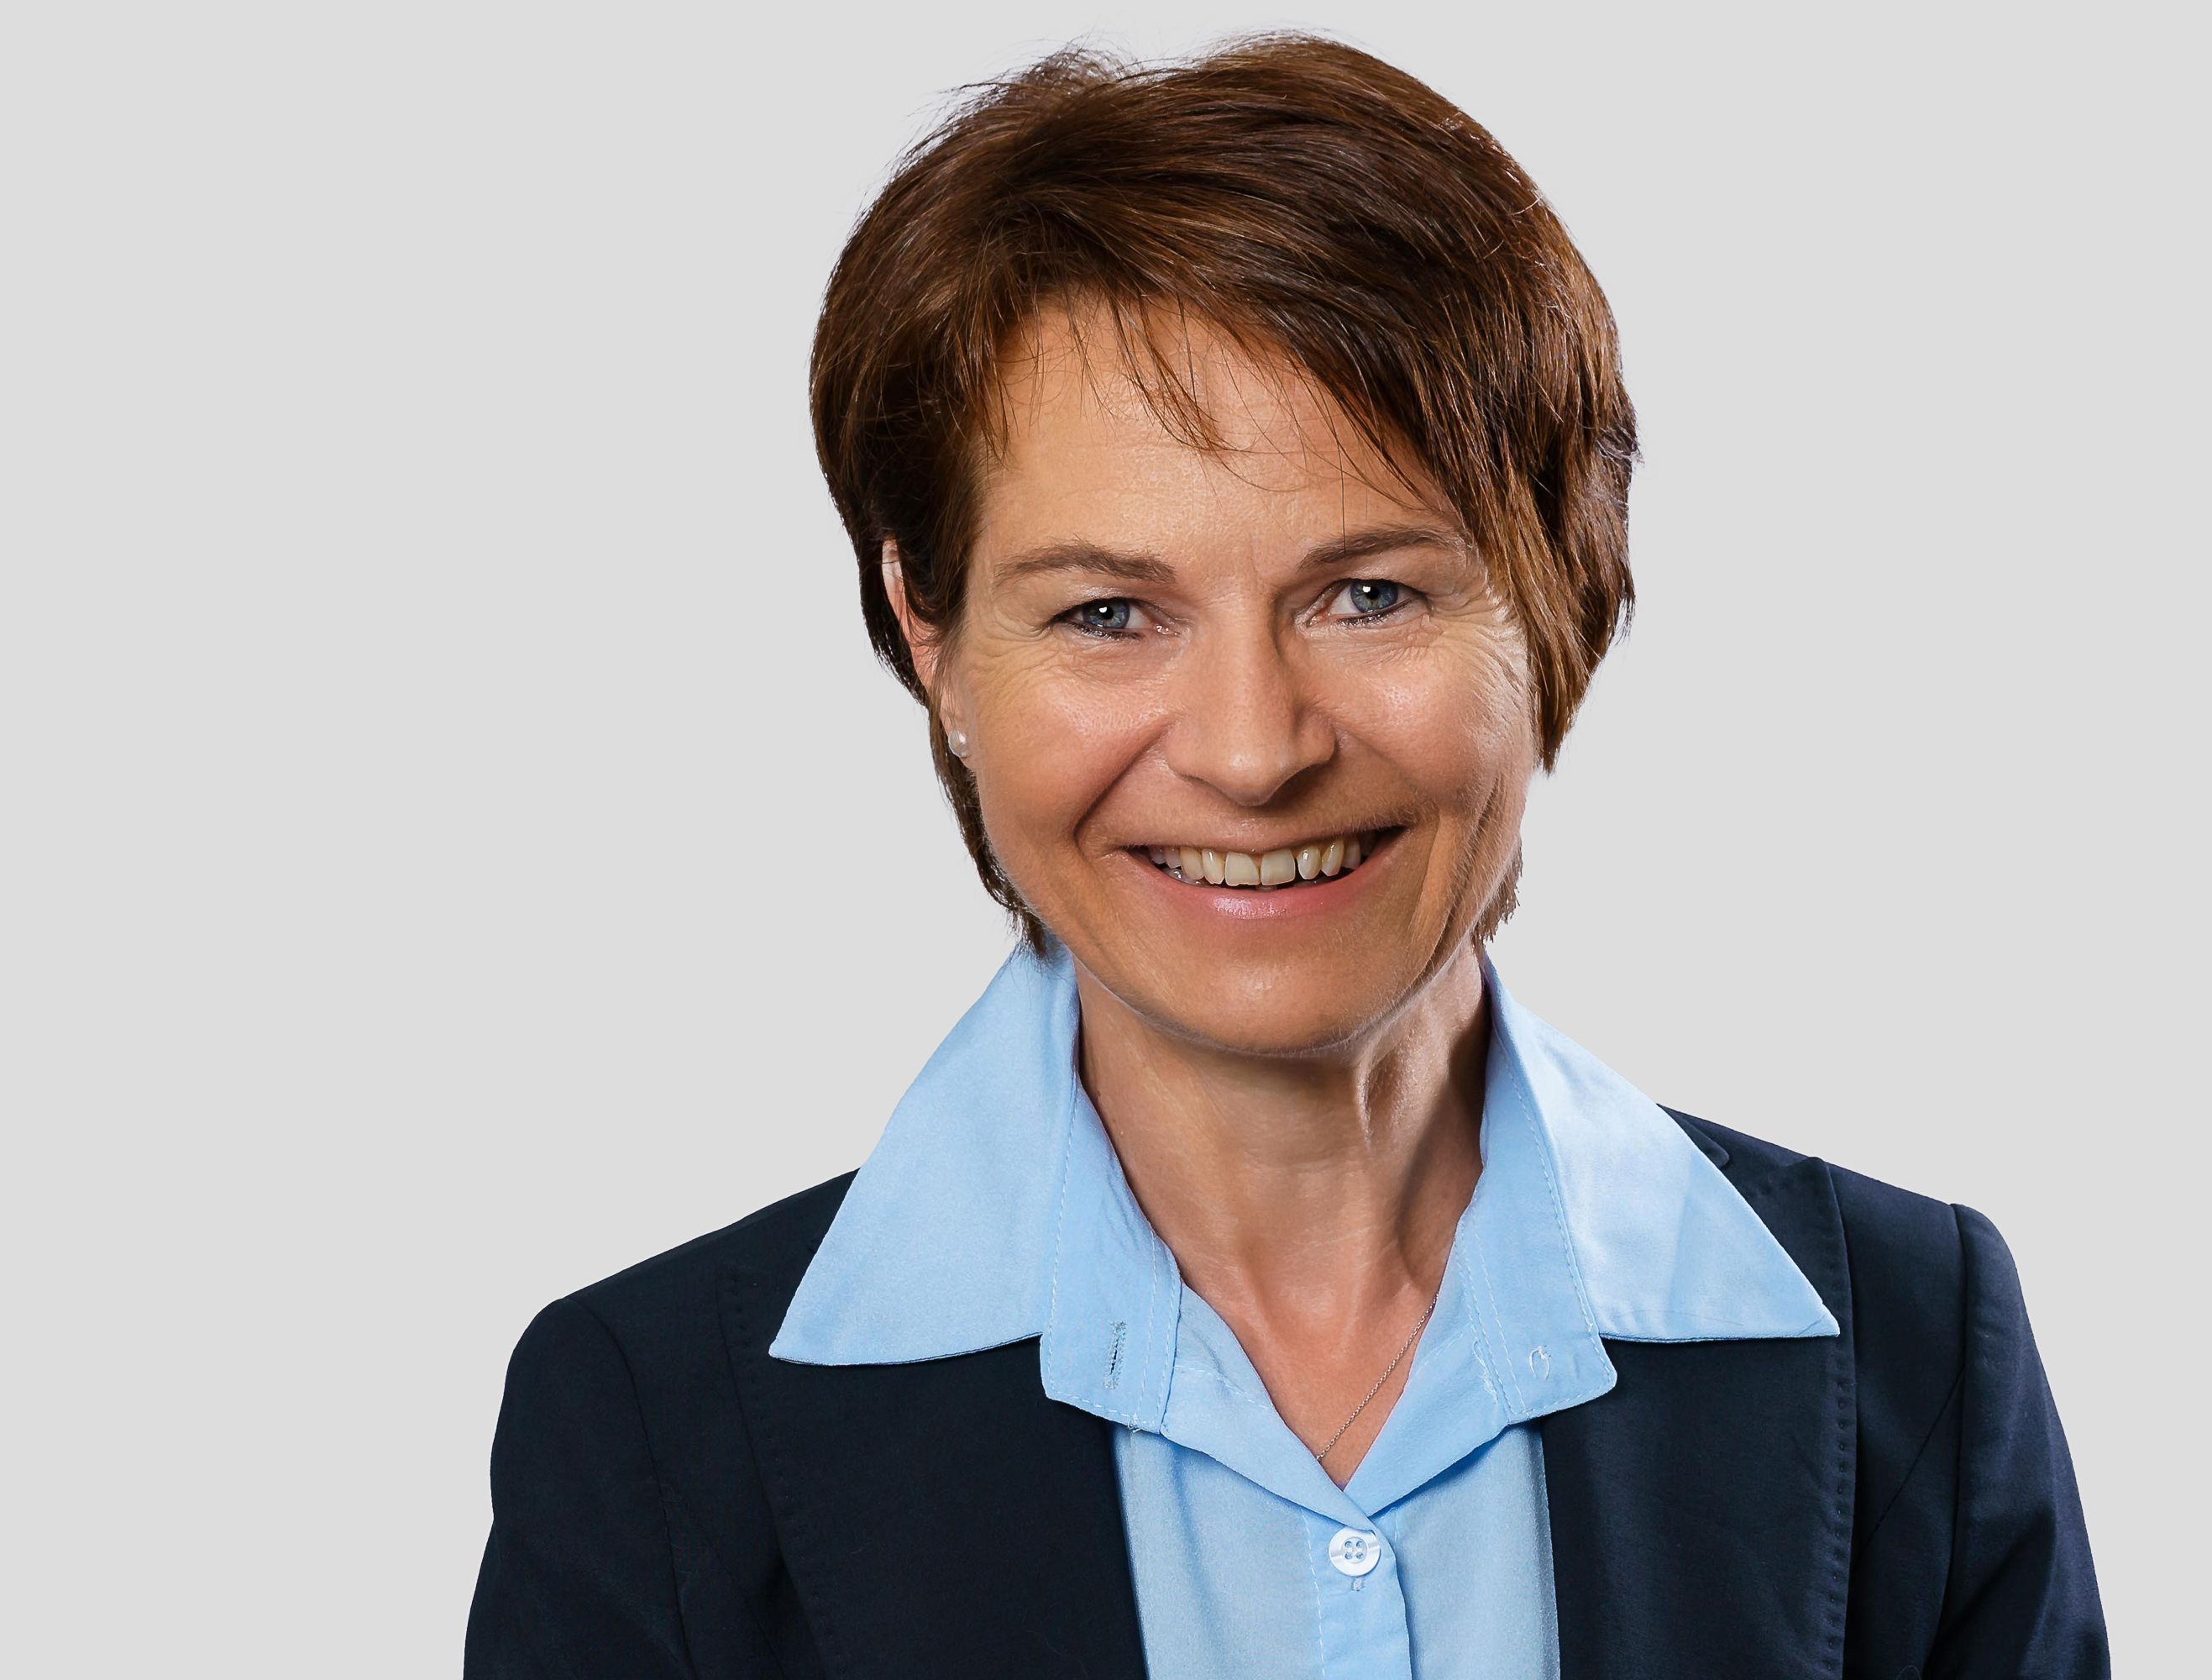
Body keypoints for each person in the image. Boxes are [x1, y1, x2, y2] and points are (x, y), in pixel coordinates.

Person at [465, 33, 2107, 1679]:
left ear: (1563, 598)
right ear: (931, 635)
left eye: (1369, 594)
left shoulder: (1916, 1354)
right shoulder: (653, 1433)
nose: (1253, 754)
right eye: (1109, 612)